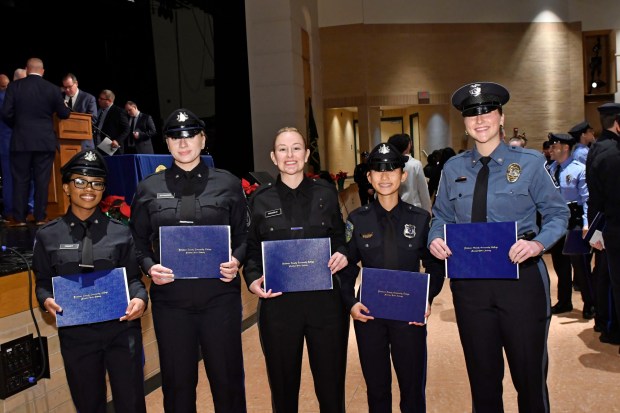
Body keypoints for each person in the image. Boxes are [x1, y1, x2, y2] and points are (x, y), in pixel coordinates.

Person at [428, 81, 568, 412]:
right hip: (470, 288)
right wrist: (435, 237)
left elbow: (557, 215)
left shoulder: (531, 163)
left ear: (501, 117)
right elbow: (441, 217)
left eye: (487, 112)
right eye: (471, 114)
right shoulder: (453, 169)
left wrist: (537, 246)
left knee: (530, 380)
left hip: (521, 283)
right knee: (483, 382)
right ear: (464, 123)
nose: (480, 120)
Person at [130, 108, 248, 412]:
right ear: (167, 144)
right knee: (177, 385)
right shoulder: (148, 189)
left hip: (220, 299)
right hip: (171, 303)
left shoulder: (228, 184)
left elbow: (246, 235)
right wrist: (148, 267)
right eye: (175, 137)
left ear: (202, 139)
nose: (183, 143)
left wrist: (236, 260)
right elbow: (137, 241)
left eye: (190, 135)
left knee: (228, 382)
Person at [32, 149, 148, 412]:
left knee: (131, 403)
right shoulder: (48, 235)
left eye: (96, 183)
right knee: (88, 404)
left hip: (121, 329)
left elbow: (134, 279)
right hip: (77, 335)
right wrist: (45, 299)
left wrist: (141, 299)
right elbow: (42, 281)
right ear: (65, 187)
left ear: (103, 189)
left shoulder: (120, 232)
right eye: (80, 181)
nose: (89, 189)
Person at [243, 126, 349, 413]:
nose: (290, 155)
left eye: (296, 148)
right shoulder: (259, 200)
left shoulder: (327, 194)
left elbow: (341, 238)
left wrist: (342, 253)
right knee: (283, 389)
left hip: (325, 306)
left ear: (307, 154)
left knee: (331, 389)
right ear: (273, 157)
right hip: (279, 307)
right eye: (283, 149)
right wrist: (252, 280)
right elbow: (251, 250)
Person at [340, 141, 444, 412]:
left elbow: (434, 264)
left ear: (403, 175)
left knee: (412, 389)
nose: (385, 176)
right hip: (369, 314)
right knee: (376, 390)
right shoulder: (357, 219)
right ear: (369, 177)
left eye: (392, 169)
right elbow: (347, 267)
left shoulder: (421, 219)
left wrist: (427, 298)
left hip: (409, 315)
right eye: (378, 170)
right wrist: (350, 302)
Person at [0, 57, 71, 227]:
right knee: (42, 179)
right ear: (42, 71)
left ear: (27, 68)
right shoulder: (52, 89)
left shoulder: (14, 87)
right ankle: (40, 216)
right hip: (44, 141)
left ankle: (19, 218)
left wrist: (18, 126)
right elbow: (64, 114)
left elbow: (6, 114)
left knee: (20, 179)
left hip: (21, 141)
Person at [546, 133, 594, 319]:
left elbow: (586, 199)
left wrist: (586, 223)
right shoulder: (551, 169)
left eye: (554, 146)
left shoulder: (579, 169)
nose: (551, 149)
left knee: (580, 266)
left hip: (574, 221)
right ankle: (564, 301)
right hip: (557, 221)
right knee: (560, 265)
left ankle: (590, 303)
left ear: (565, 148)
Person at [586, 102, 620, 348]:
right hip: (616, 225)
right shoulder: (615, 154)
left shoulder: (598, 149)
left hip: (605, 223)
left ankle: (607, 325)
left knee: (607, 277)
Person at [387, 133, 432, 213]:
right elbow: (423, 191)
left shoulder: (386, 165)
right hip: (412, 210)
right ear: (407, 146)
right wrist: (428, 211)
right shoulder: (415, 164)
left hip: (391, 210)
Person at [61, 73, 98, 150]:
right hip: (63, 144)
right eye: (65, 87)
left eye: (69, 87)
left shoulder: (88, 98)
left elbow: (93, 120)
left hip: (83, 144)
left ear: (76, 83)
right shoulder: (59, 97)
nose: (67, 90)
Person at [94, 89, 129, 155]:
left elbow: (126, 129)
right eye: (99, 98)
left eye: (101, 99)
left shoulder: (119, 111)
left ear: (109, 101)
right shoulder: (99, 111)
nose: (98, 100)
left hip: (111, 148)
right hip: (97, 147)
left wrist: (117, 141)